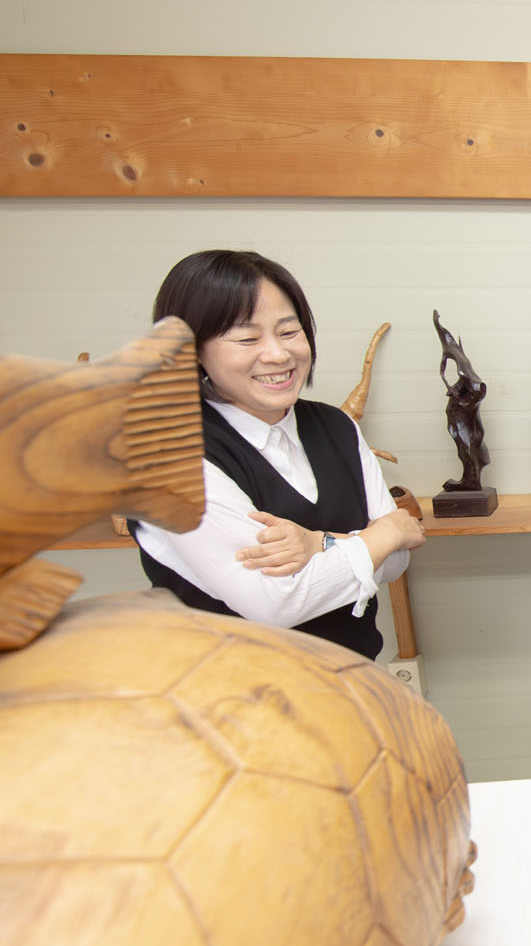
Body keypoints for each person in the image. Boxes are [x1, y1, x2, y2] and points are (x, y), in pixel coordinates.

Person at [132, 250, 425, 660]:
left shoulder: (337, 427)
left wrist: (317, 542)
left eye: (289, 331)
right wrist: (384, 534)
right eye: (247, 339)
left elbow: (397, 562)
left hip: (351, 679)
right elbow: (277, 603)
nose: (278, 354)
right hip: (229, 691)